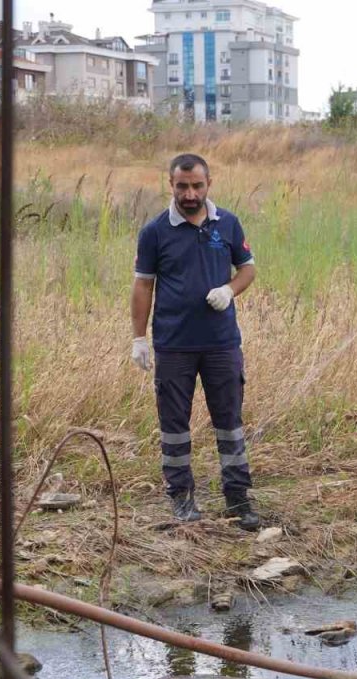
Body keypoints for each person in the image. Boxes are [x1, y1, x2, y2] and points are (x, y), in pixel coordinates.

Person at [130, 153, 260, 531]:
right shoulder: (155, 231)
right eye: (182, 186)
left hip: (221, 344)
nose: (190, 194)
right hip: (173, 345)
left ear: (209, 184)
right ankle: (181, 498)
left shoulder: (229, 223)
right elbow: (143, 285)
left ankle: (238, 498)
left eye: (197, 186)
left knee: (230, 423)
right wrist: (140, 338)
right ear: (170, 184)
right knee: (174, 425)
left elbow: (248, 268)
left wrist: (229, 290)